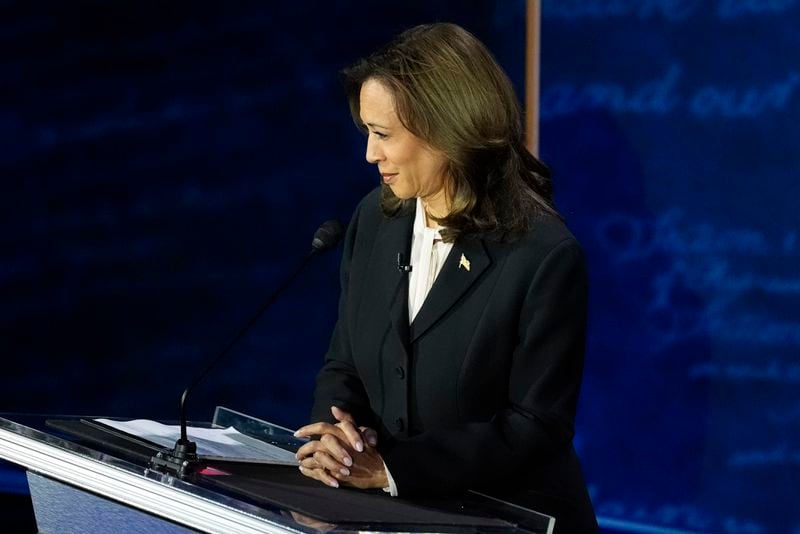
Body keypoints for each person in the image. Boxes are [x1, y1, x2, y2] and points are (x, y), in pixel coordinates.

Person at [294, 23, 598, 532]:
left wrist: (392, 469)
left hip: (504, 519)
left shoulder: (543, 255)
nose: (371, 154)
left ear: (447, 130)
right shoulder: (376, 217)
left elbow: (535, 426)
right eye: (368, 132)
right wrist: (340, 440)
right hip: (390, 517)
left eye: (384, 134)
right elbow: (345, 360)